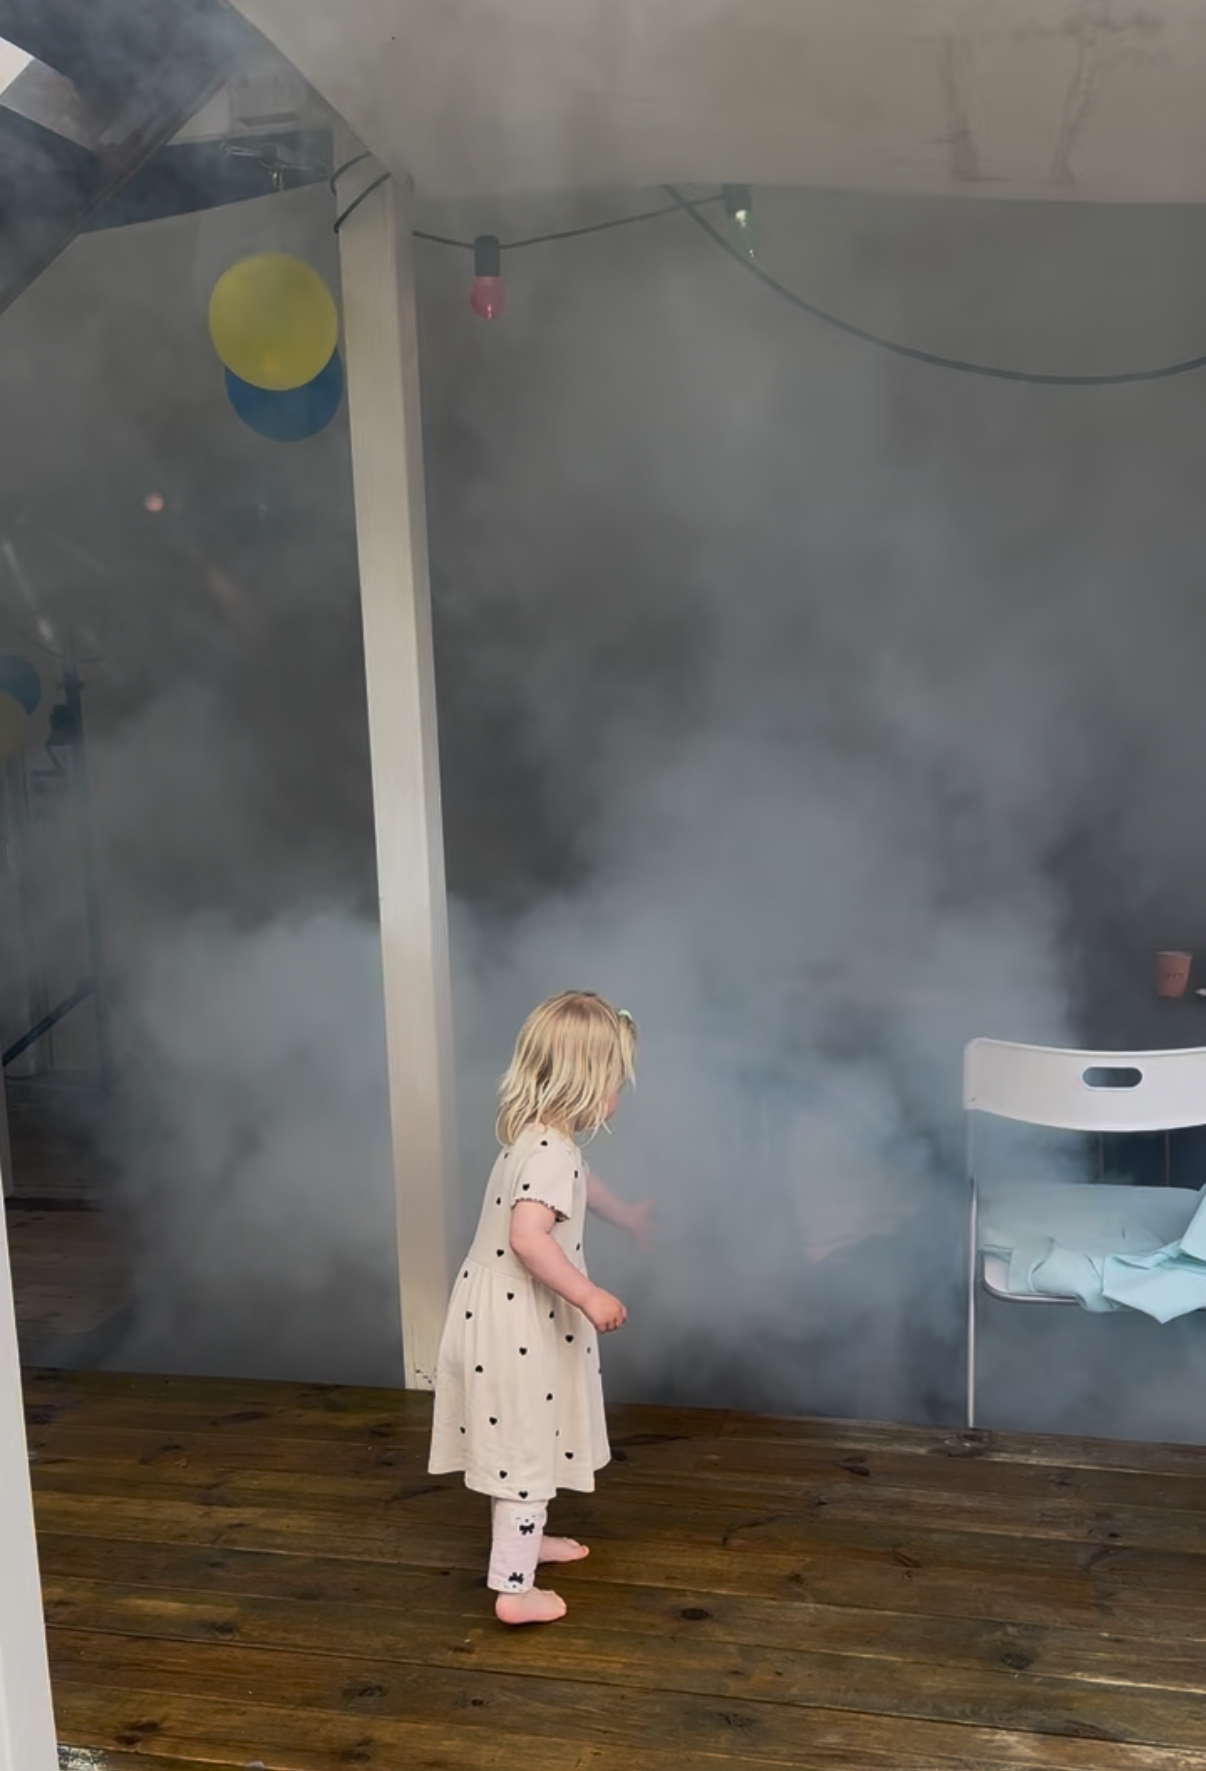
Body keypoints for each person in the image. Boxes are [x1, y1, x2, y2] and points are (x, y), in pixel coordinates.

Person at [428, 990, 651, 1624]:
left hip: (497, 1311)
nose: (616, 1096)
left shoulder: (541, 1139)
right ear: (586, 1083)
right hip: (518, 1318)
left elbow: (581, 1185)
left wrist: (625, 1215)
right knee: (525, 1447)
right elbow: (528, 1237)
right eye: (613, 1082)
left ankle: (525, 1544)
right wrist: (588, 1295)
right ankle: (514, 1589)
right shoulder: (550, 1152)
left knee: (526, 1433)